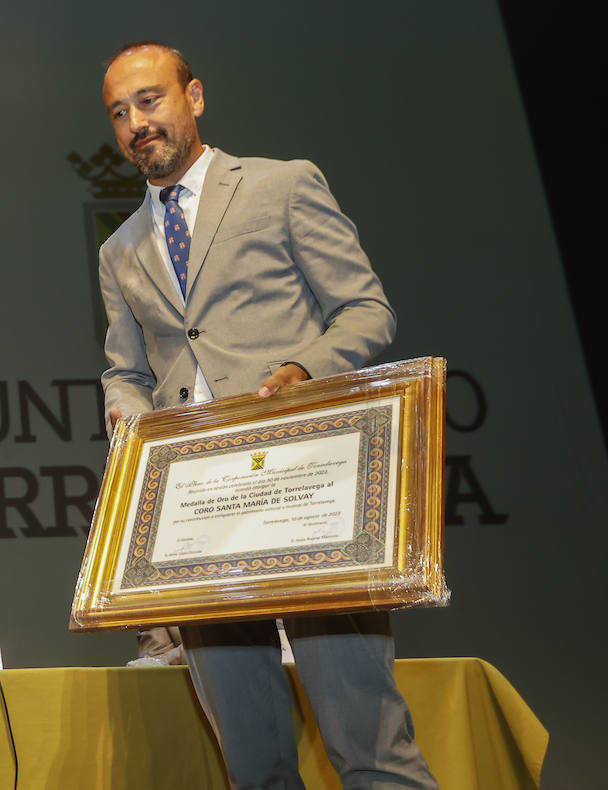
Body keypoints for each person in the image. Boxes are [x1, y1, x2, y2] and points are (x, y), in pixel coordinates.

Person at [96, 42, 437, 789]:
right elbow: (126, 370)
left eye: (149, 101)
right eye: (119, 113)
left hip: (309, 490)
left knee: (372, 751)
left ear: (195, 97)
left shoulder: (283, 186)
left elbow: (365, 309)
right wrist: (127, 416)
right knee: (255, 769)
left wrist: (305, 370)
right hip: (200, 520)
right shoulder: (119, 250)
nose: (135, 124)